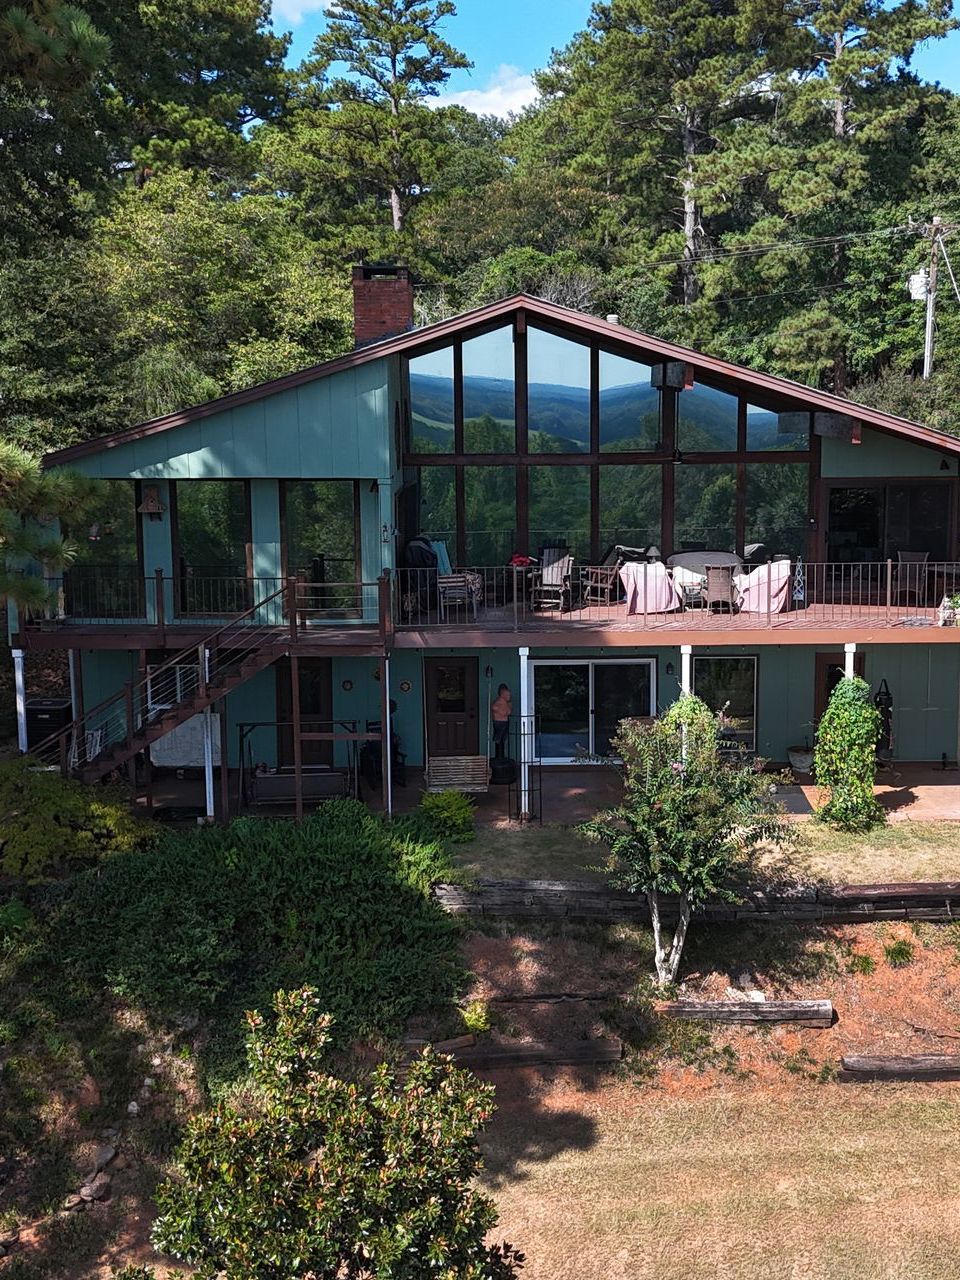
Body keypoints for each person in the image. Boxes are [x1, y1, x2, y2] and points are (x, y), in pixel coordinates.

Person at [491, 684, 512, 758]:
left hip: (503, 721)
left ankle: (501, 756)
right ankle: (499, 756)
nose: (509, 696)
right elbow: (505, 712)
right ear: (502, 694)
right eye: (508, 695)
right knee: (499, 738)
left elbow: (508, 712)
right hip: (500, 722)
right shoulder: (499, 702)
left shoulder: (505, 703)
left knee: (502, 738)